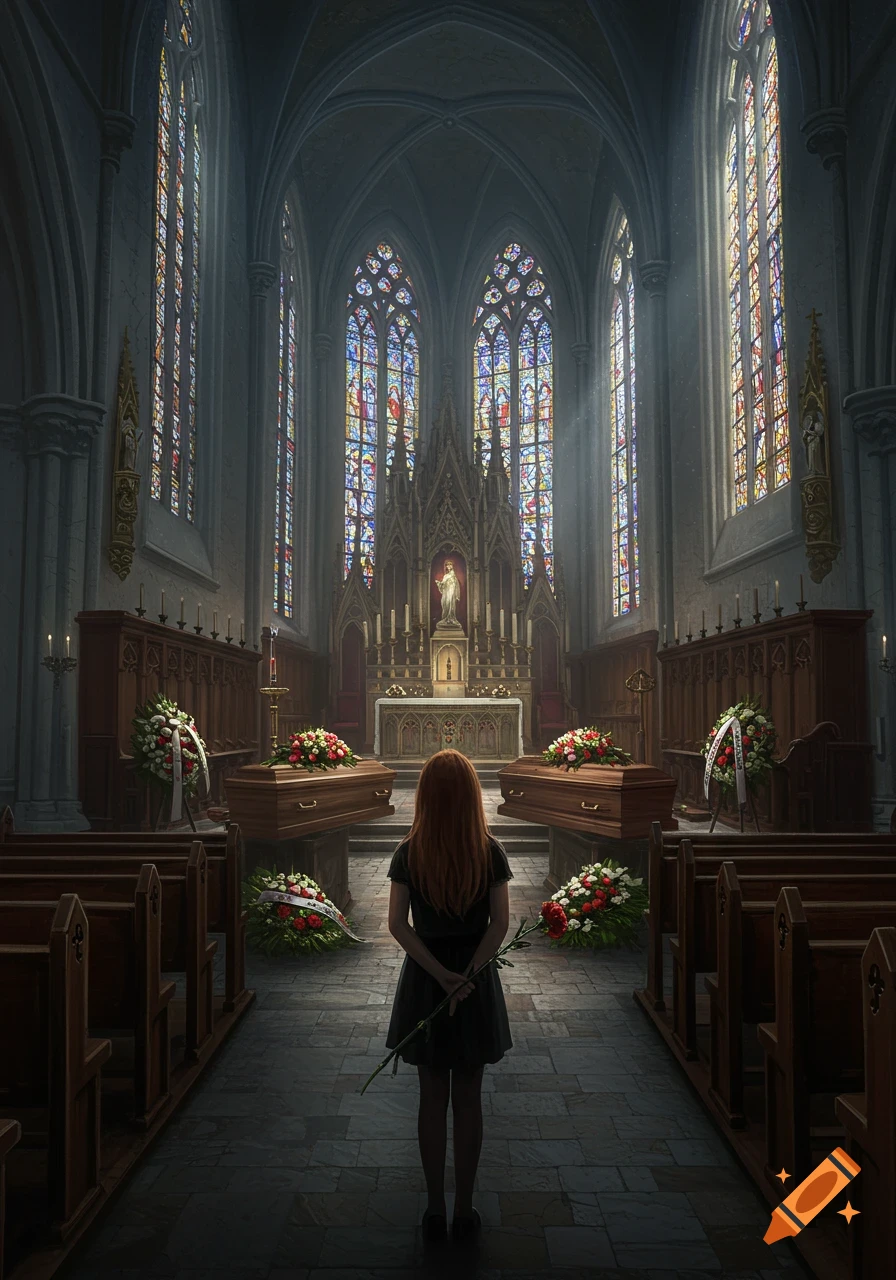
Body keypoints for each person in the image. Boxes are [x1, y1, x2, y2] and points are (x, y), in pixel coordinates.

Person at [386, 749, 513, 1242]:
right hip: (474, 981)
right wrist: (467, 975)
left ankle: (435, 1206)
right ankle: (465, 1207)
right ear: (471, 796)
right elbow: (500, 923)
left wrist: (440, 975)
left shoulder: (408, 852)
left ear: (424, 797)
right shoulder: (490, 850)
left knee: (431, 1096)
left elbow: (397, 925)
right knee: (469, 1098)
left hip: (426, 978)